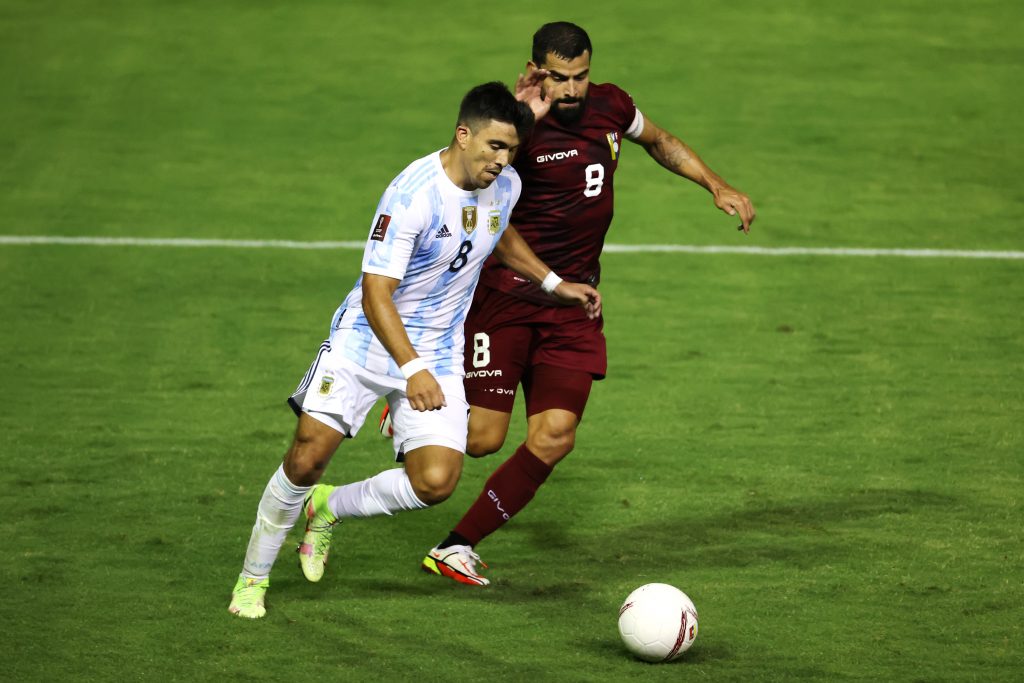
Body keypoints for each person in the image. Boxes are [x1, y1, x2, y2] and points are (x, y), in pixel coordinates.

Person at [311, 21, 756, 588]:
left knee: (554, 436)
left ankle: (455, 546)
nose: (572, 90)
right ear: (537, 70)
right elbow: (461, 180)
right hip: (504, 300)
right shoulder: (517, 134)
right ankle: (393, 412)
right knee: (480, 440)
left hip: (574, 302)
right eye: (560, 78)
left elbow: (659, 141)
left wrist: (715, 184)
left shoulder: (613, 105)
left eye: (581, 77)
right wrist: (526, 121)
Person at [228, 81, 601, 618]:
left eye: (512, 150)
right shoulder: (412, 195)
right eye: (494, 147)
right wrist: (412, 369)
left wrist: (551, 283)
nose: (503, 161)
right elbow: (376, 292)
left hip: (439, 352)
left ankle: (328, 506)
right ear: (462, 134)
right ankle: (252, 579)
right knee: (307, 457)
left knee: (435, 481)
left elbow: (499, 233)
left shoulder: (505, 185)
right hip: (366, 342)